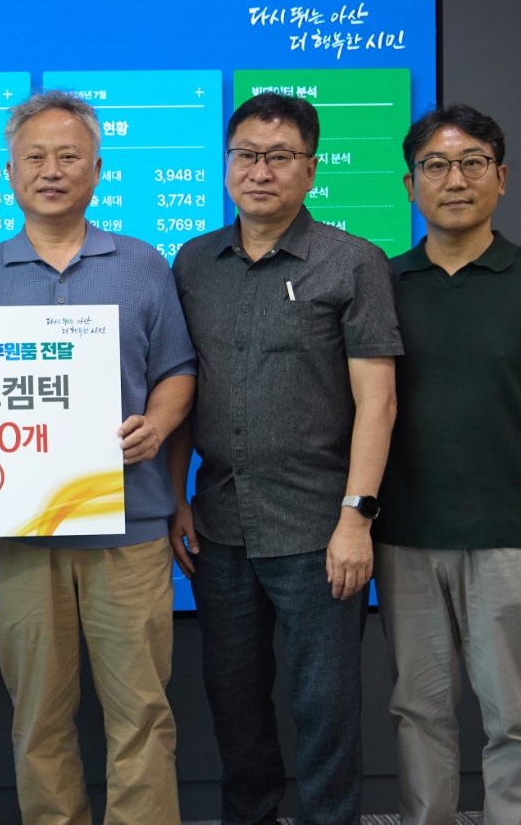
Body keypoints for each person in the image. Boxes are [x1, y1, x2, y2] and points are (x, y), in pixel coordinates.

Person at [0, 90, 197, 825]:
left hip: (131, 527)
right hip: (25, 536)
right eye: (34, 157)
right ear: (10, 172)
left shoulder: (143, 263)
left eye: (68, 156)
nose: (50, 170)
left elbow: (178, 368)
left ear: (97, 170)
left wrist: (157, 425)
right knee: (38, 718)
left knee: (142, 712)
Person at [168, 92, 401, 825]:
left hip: (319, 528)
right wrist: (175, 498)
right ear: (226, 165)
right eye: (246, 155)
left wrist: (357, 518)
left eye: (279, 157)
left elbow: (378, 402)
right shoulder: (195, 261)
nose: (259, 171)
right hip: (220, 523)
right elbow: (182, 386)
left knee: (325, 708)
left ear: (310, 169)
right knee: (234, 705)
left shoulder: (352, 262)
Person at [376, 104, 521, 825]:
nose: (454, 180)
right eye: (435, 166)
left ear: (502, 177)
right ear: (410, 184)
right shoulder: (380, 283)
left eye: (472, 164)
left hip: (513, 534)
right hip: (404, 534)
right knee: (417, 710)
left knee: (515, 715)